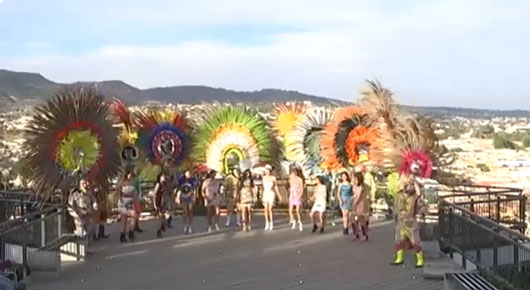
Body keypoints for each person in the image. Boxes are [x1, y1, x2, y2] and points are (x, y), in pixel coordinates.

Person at [391, 176, 426, 268]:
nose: (411, 187)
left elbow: (421, 206)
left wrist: (422, 212)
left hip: (411, 221)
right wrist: (395, 215)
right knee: (399, 240)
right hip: (400, 221)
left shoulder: (415, 198)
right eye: (409, 186)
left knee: (415, 241)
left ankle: (420, 260)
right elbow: (396, 207)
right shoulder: (399, 195)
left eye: (412, 186)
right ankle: (399, 258)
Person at [68, 178, 96, 247]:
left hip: (88, 215)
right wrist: (76, 214)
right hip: (79, 216)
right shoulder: (74, 194)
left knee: (89, 231)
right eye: (83, 183)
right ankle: (81, 248)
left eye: (86, 183)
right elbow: (70, 206)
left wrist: (95, 205)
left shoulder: (89, 192)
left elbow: (93, 200)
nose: (85, 185)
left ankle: (89, 247)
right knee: (81, 233)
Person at [116, 170, 139, 242]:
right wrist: (121, 202)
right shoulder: (121, 183)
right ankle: (122, 234)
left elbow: (135, 193)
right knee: (124, 219)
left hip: (130, 201)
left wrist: (136, 201)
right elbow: (118, 193)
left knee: (134, 216)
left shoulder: (132, 183)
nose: (131, 176)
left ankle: (131, 231)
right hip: (123, 200)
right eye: (130, 174)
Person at [176, 169, 198, 234]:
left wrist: (195, 196)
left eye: (190, 173)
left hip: (190, 196)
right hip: (183, 196)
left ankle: (190, 226)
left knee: (190, 211)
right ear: (185, 173)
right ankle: (185, 225)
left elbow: (194, 188)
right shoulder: (181, 179)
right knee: (185, 212)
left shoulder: (192, 179)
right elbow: (178, 187)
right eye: (187, 173)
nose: (189, 175)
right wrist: (177, 196)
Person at [262, 165, 281, 231]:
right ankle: (267, 222)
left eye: (268, 170)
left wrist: (278, 195)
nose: (267, 172)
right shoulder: (264, 177)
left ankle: (271, 222)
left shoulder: (273, 178)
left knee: (270, 208)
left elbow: (276, 186)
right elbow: (262, 187)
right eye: (266, 170)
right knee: (265, 209)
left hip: (271, 193)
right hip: (265, 193)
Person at [153, 172, 172, 238]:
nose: (165, 177)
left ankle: (162, 227)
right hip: (159, 202)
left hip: (164, 202)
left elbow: (168, 192)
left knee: (164, 216)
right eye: (163, 176)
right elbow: (154, 194)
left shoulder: (165, 184)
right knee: (161, 217)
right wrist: (155, 204)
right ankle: (159, 230)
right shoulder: (158, 184)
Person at [352, 172, 370, 241]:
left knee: (361, 219)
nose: (354, 180)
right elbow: (354, 194)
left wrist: (356, 202)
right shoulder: (353, 185)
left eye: (355, 178)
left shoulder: (362, 186)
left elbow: (360, 196)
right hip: (354, 202)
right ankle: (356, 233)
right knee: (353, 219)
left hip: (361, 203)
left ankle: (364, 234)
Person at [288, 167, 304, 231]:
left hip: (297, 195)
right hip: (292, 195)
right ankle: (293, 221)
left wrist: (300, 195)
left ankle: (300, 222)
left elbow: (302, 188)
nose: (293, 174)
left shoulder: (300, 179)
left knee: (298, 211)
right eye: (292, 173)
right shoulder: (290, 179)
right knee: (290, 210)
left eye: (294, 172)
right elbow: (289, 186)